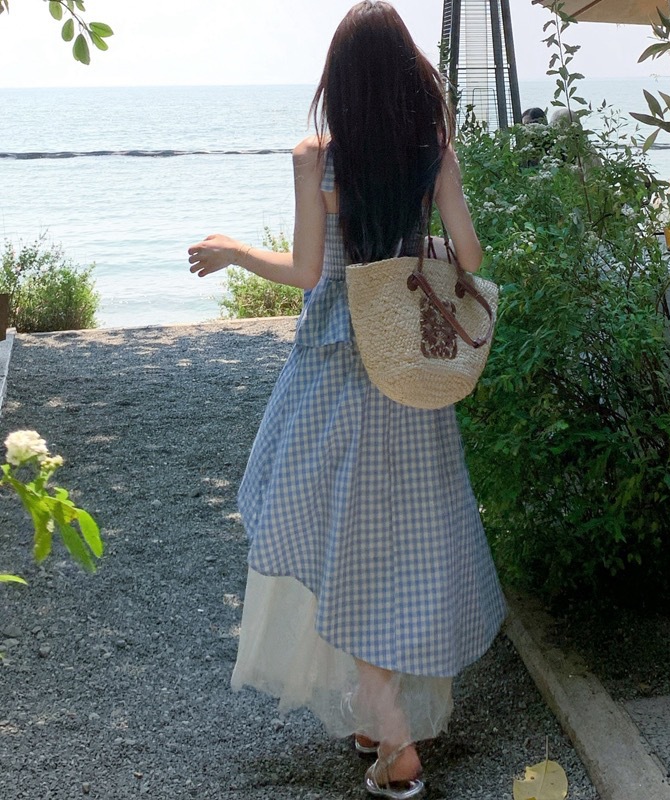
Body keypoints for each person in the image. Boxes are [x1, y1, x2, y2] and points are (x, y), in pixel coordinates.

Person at [188, 3, 506, 797]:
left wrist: (232, 250)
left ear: (339, 80)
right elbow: (469, 255)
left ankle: (397, 744)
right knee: (396, 546)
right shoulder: (433, 152)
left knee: (344, 549)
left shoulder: (316, 159)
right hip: (410, 379)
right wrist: (414, 247)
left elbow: (305, 272)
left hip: (334, 375)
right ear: (406, 75)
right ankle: (375, 716)